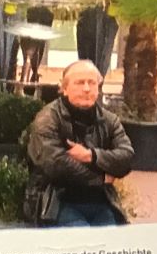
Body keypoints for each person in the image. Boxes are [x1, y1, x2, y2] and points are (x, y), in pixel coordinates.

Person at [24, 60, 133, 227]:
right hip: (55, 202)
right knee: (83, 237)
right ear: (64, 88)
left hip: (101, 200)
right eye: (80, 83)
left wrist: (91, 156)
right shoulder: (47, 119)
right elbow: (56, 165)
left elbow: (126, 157)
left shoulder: (110, 120)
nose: (87, 88)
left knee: (111, 239)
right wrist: (102, 178)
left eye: (92, 83)